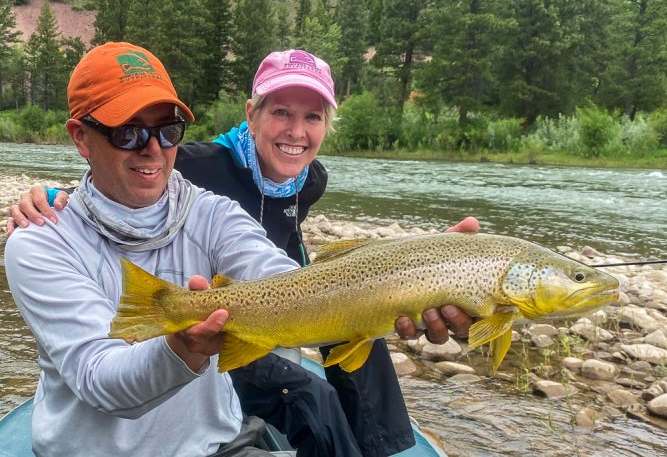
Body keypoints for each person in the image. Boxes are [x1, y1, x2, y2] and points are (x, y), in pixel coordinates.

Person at [7, 48, 477, 456]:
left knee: (319, 399)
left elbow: (278, 274)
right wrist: (183, 348)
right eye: (126, 132)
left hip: (214, 446)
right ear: (80, 137)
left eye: (167, 130)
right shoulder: (40, 241)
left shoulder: (213, 212)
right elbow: (101, 382)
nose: (152, 149)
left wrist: (417, 270)